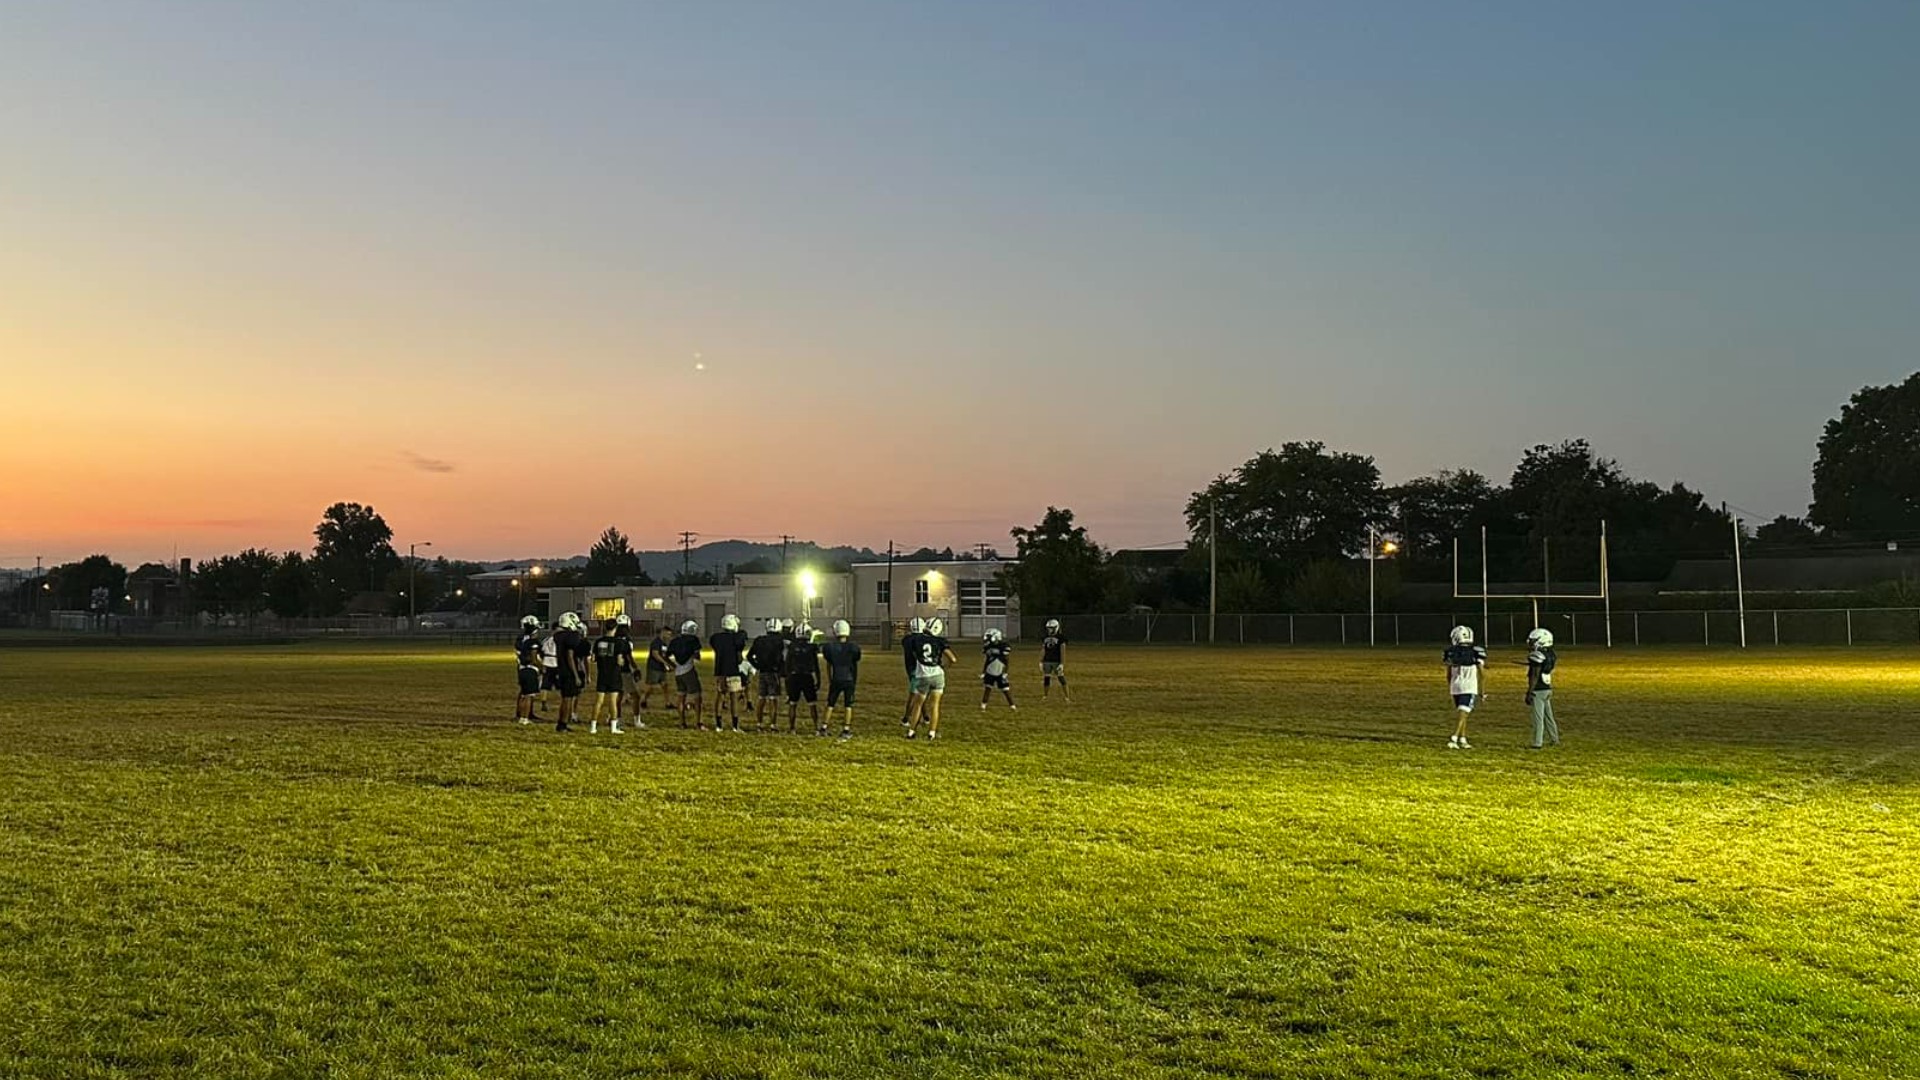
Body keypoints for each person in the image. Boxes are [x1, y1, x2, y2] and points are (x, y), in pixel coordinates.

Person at [904, 617, 956, 740]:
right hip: (937, 675)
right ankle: (931, 733)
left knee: (918, 704)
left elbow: (911, 653)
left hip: (923, 675)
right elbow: (953, 659)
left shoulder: (916, 640)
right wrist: (945, 666)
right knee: (935, 705)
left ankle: (911, 731)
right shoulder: (940, 641)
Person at [1443, 624, 1488, 750]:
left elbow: (1448, 674)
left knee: (1463, 714)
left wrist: (1450, 686)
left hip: (1455, 685)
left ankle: (1463, 739)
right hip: (1469, 686)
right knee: (1463, 714)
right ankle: (1455, 737)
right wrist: (1482, 691)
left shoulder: (1451, 652)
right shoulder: (1476, 652)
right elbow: (1482, 674)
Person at [588, 616, 633, 734]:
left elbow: (593, 659)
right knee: (613, 701)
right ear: (615, 628)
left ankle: (593, 727)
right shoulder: (619, 643)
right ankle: (613, 727)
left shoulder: (598, 641)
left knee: (598, 701)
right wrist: (622, 662)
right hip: (614, 674)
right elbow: (619, 660)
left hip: (602, 674)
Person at [550, 611, 591, 733]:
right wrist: (576, 675)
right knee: (568, 698)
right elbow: (570, 655)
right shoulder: (571, 636)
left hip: (561, 670)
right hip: (568, 671)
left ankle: (562, 723)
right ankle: (562, 724)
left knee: (565, 698)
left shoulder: (559, 635)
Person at [821, 619, 861, 739]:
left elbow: (829, 664)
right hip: (848, 678)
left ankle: (823, 727)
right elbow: (855, 662)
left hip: (836, 678)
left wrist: (830, 679)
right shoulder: (853, 647)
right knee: (848, 705)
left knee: (830, 704)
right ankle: (846, 729)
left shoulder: (830, 647)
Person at [709, 614, 750, 732]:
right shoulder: (737, 638)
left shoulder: (716, 638)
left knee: (720, 696)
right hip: (732, 670)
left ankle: (718, 725)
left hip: (720, 671)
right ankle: (735, 726)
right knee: (734, 698)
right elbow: (739, 648)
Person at [748, 618, 788, 732]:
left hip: (763, 672)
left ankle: (759, 724)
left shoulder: (759, 640)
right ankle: (773, 725)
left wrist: (757, 666)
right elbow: (783, 658)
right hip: (774, 673)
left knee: (761, 699)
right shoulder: (780, 641)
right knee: (773, 699)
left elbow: (749, 656)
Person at [1524, 627, 1561, 749]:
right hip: (1547, 688)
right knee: (1548, 716)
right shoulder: (1550, 654)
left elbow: (1534, 675)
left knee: (1538, 718)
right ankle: (1554, 738)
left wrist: (1530, 691)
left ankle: (1537, 742)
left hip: (1539, 690)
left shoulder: (1538, 655)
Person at [667, 619, 705, 729]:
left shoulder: (675, 641)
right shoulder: (693, 640)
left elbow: (667, 655)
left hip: (678, 672)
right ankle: (699, 723)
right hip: (689, 670)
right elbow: (697, 656)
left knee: (681, 697)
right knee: (697, 698)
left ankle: (682, 723)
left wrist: (672, 665)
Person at [786, 622, 823, 734]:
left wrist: (787, 680)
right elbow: (815, 665)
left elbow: (788, 664)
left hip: (794, 676)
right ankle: (816, 728)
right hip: (807, 676)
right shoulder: (812, 647)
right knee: (812, 704)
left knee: (793, 704)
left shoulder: (792, 647)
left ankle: (792, 728)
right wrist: (818, 679)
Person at [615, 614, 647, 726]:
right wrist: (636, 669)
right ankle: (636, 721)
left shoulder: (612, 638)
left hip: (613, 671)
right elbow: (629, 658)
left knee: (617, 696)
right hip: (624, 671)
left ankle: (616, 719)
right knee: (636, 696)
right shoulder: (626, 641)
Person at [513, 614, 542, 725]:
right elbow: (529, 656)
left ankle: (525, 713)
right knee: (527, 693)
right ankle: (523, 715)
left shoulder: (522, 639)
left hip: (522, 666)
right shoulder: (527, 640)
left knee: (525, 692)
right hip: (528, 666)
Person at [899, 617, 927, 728]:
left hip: (911, 669)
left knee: (918, 693)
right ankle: (906, 718)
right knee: (916, 694)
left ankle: (925, 717)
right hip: (922, 669)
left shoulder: (906, 639)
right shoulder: (924, 639)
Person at [637, 625, 672, 713]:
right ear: (663, 632)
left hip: (661, 669)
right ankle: (643, 701)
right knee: (650, 687)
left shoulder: (664, 643)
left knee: (665, 686)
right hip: (654, 668)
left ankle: (668, 703)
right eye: (668, 634)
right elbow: (655, 654)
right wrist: (665, 663)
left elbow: (664, 656)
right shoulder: (656, 642)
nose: (669, 637)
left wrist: (672, 665)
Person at [980, 628, 1016, 710]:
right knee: (988, 688)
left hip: (1000, 670)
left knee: (1006, 690)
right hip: (990, 670)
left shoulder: (1003, 646)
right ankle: (983, 705)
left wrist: (1005, 672)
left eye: (989, 637)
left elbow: (1006, 660)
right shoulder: (988, 647)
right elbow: (987, 659)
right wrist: (984, 671)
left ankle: (1012, 706)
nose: (987, 639)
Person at [1040, 619, 1071, 702]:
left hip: (1056, 661)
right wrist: (1041, 661)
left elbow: (1062, 651)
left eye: (1051, 628)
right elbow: (1043, 649)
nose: (1049, 630)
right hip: (1047, 660)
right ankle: (1045, 695)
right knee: (1046, 678)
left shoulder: (1061, 638)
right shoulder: (1045, 637)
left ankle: (1067, 697)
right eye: (1048, 628)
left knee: (1061, 678)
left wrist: (1062, 663)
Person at [537, 624, 562, 716]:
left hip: (548, 663)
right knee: (547, 685)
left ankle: (545, 703)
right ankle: (544, 703)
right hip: (553, 663)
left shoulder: (546, 640)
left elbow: (540, 652)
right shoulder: (557, 640)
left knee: (547, 685)